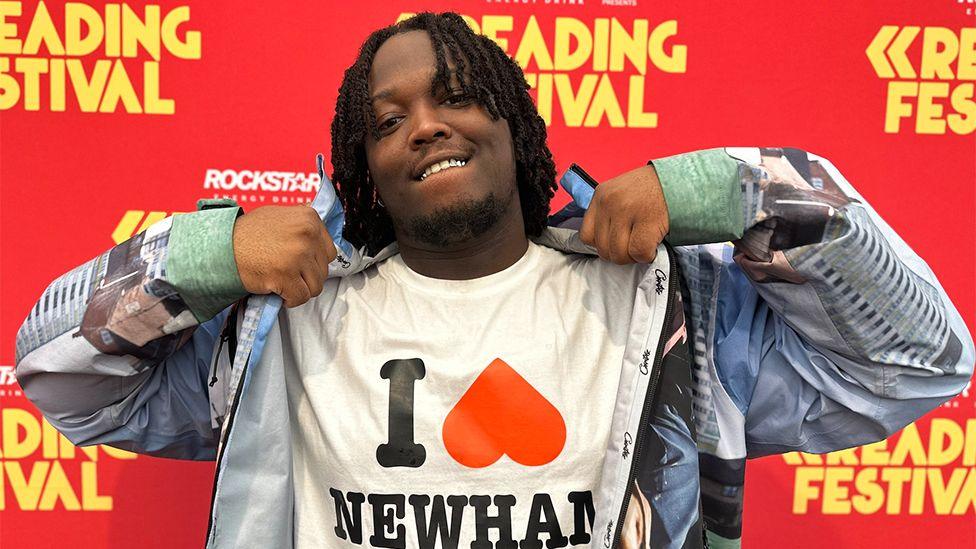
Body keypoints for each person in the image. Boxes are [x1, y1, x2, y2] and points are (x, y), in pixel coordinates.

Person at [14, 12, 973, 549]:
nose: (425, 124)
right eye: (387, 121)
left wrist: (741, 189)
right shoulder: (279, 331)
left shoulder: (674, 308)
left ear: (518, 131)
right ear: (364, 167)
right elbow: (57, 377)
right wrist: (201, 257)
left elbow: (918, 360)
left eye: (459, 97)